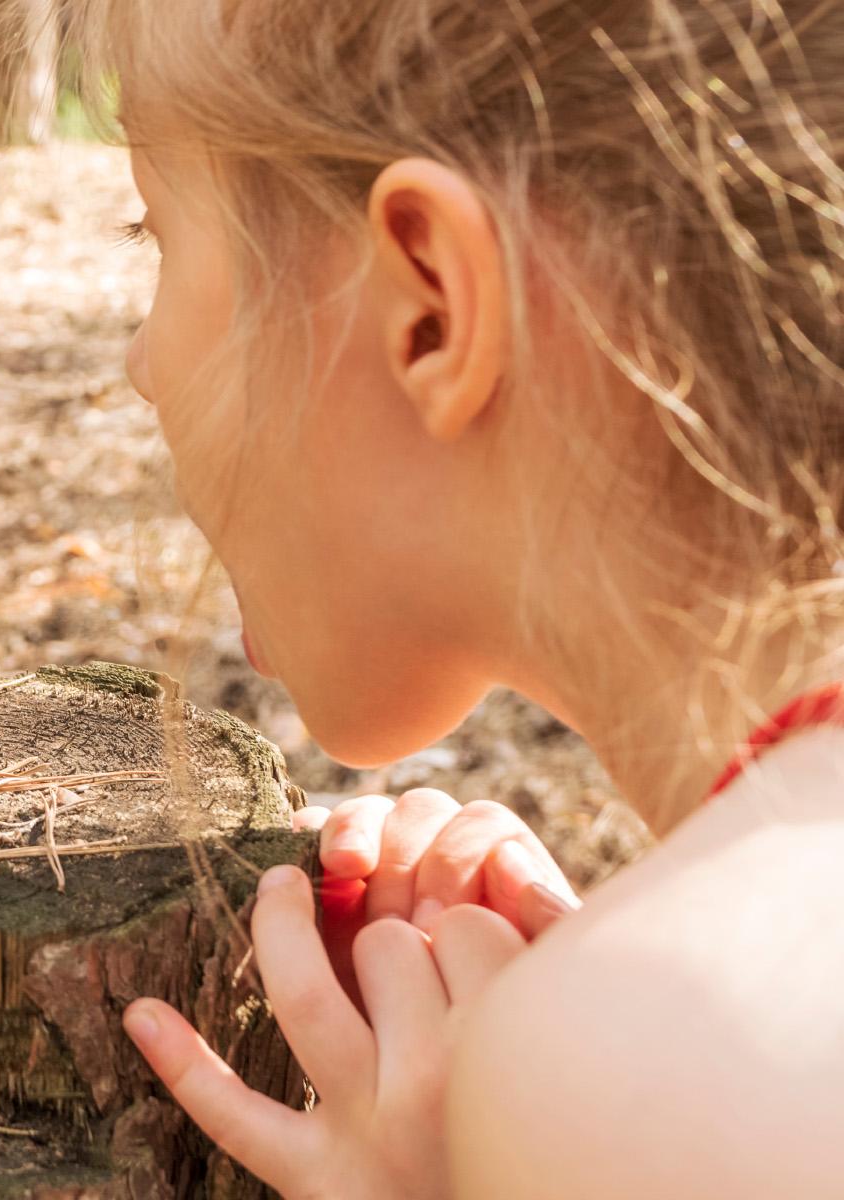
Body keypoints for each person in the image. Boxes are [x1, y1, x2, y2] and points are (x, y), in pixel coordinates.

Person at [51, 2, 844, 1196]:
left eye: (153, 232)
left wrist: (557, 1109)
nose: (142, 365)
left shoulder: (671, 1070)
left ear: (431, 303)